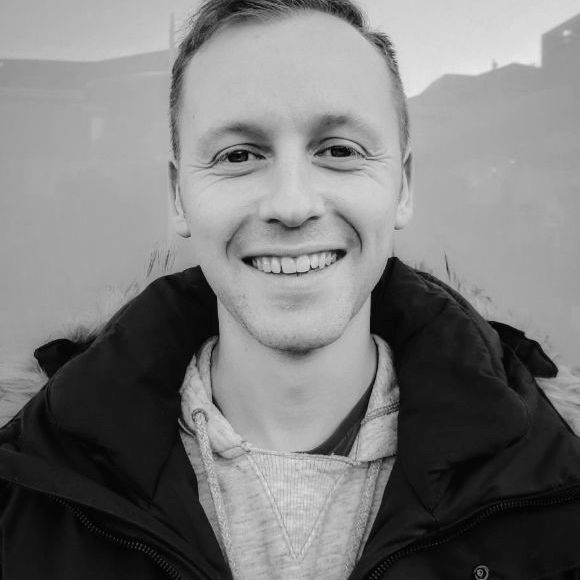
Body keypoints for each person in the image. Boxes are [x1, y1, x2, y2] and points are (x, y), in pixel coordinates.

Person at [1, 0, 580, 578]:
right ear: (179, 196)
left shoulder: (559, 489)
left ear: (402, 186)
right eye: (238, 155)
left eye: (339, 151)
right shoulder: (23, 495)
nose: (292, 204)